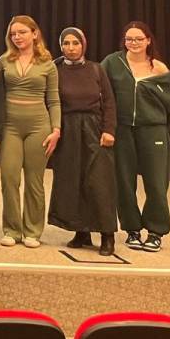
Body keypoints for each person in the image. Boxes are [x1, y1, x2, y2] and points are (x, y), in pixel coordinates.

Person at [101, 21, 170, 253]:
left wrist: (160, 124)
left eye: (138, 39)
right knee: (124, 182)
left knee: (156, 183)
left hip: (153, 131)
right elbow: (102, 93)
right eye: (129, 39)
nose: (133, 43)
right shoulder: (112, 63)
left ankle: (156, 231)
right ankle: (132, 229)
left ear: (148, 41)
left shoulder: (159, 68)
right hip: (122, 130)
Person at [0, 15, 61, 248]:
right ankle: (12, 230)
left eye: (22, 32)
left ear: (34, 33)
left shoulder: (48, 64)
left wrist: (56, 129)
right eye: (13, 34)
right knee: (9, 178)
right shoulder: (3, 61)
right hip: (10, 127)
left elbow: (54, 99)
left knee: (34, 180)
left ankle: (32, 231)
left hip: (39, 127)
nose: (17, 37)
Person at [49, 27, 117, 255]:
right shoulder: (55, 70)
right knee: (72, 180)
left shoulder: (96, 69)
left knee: (99, 182)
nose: (70, 48)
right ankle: (81, 231)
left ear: (83, 45)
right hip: (67, 129)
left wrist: (109, 130)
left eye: (75, 43)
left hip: (94, 128)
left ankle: (107, 234)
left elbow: (109, 102)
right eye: (66, 43)